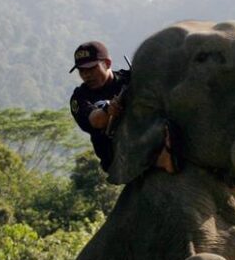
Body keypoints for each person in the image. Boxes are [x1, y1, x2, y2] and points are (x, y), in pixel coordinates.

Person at [69, 41, 175, 174]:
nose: (86, 75)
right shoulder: (80, 97)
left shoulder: (129, 79)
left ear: (107, 63)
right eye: (82, 70)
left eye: (91, 68)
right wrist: (108, 111)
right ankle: (160, 159)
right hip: (116, 157)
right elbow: (96, 120)